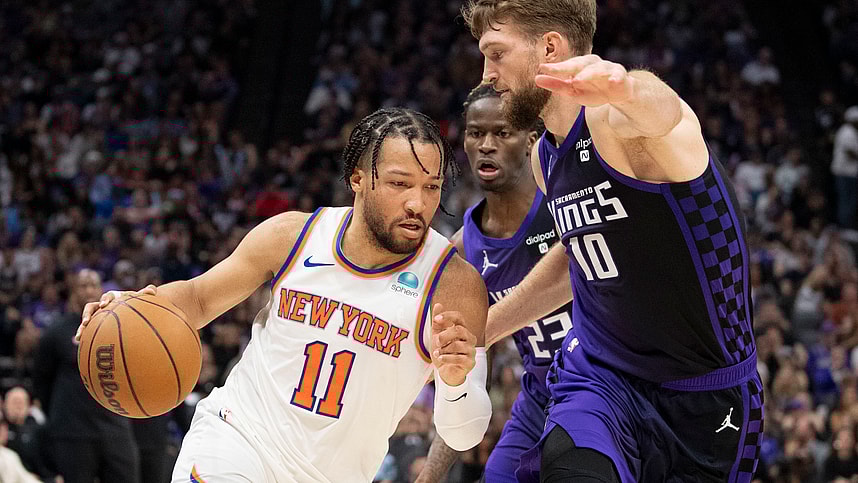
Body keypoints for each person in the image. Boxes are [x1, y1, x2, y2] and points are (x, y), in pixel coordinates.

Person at [76, 107, 493, 482]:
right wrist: (130, 307)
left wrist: (456, 383)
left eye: (431, 186)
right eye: (400, 184)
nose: (418, 203)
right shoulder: (293, 236)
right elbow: (198, 300)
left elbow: (464, 432)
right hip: (238, 438)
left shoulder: (454, 284)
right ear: (358, 180)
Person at [461, 1, 763, 481]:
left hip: (707, 395)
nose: (487, 74)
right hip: (601, 378)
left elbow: (667, 115)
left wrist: (624, 86)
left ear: (550, 48)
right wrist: (483, 330)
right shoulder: (545, 159)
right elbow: (579, 253)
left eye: (496, 54)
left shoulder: (618, 124)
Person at [417, 85, 572, 483]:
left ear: (531, 141)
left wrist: (483, 329)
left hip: (610, 383)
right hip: (542, 394)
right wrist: (430, 475)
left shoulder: (564, 205)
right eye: (475, 133)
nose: (486, 144)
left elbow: (568, 276)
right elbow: (463, 372)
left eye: (502, 133)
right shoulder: (463, 250)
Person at [34, 269, 140, 483]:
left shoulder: (119, 329)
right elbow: (41, 379)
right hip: (74, 430)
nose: (89, 290)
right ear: (73, 291)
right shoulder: (57, 332)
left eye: (93, 285)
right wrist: (57, 418)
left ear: (101, 289)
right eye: (83, 285)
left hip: (115, 426)